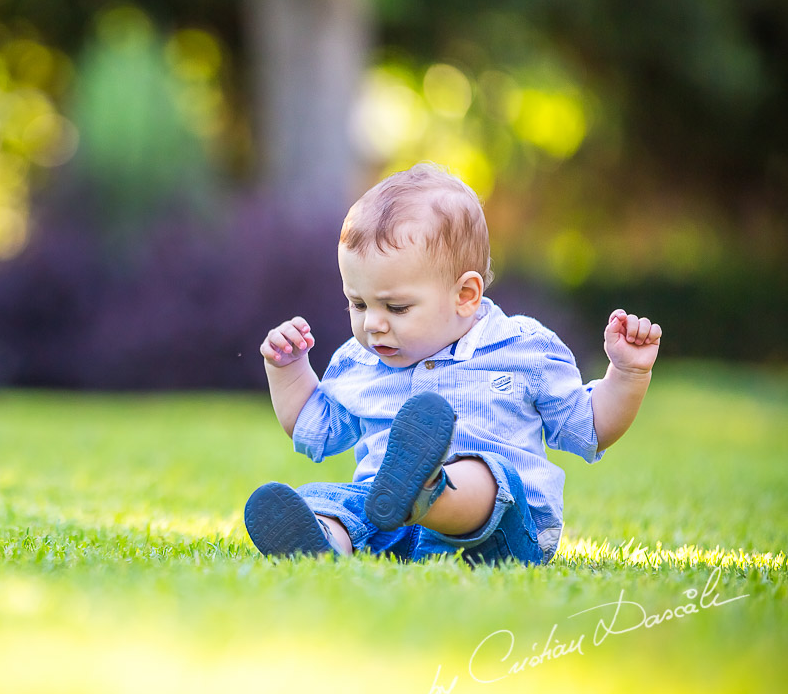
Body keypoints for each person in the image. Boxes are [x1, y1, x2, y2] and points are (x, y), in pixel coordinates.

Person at [244, 162, 662, 565]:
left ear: (465, 295)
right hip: (394, 530)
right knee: (340, 500)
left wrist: (627, 372)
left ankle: (428, 492)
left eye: (396, 307)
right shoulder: (360, 363)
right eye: (357, 303)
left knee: (488, 476)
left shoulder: (521, 349)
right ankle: (325, 541)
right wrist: (288, 369)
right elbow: (313, 428)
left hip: (499, 534)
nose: (372, 323)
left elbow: (588, 427)